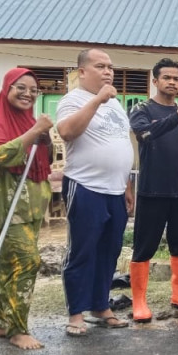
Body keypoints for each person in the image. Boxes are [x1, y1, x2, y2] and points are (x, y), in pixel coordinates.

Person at [0, 68, 53, 350]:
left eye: (33, 89)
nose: (28, 93)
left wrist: (42, 136)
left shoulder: (27, 121)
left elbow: (42, 160)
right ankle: (18, 329)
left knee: (7, 265)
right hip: (5, 205)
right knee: (28, 261)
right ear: (6, 89)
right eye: (21, 87)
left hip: (29, 205)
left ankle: (1, 322)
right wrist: (34, 131)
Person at [56, 48, 135, 336]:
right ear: (82, 72)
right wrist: (97, 100)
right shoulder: (72, 100)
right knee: (82, 250)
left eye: (110, 67)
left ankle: (100, 306)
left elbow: (119, 144)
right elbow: (66, 131)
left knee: (110, 250)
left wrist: (126, 185)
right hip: (85, 186)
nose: (108, 72)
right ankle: (76, 313)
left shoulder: (115, 104)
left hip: (115, 189)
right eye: (100, 66)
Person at [128, 59, 178, 322]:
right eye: (167, 77)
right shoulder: (143, 109)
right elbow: (144, 136)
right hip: (152, 191)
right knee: (144, 247)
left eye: (177, 78)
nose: (172, 82)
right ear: (155, 80)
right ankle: (139, 301)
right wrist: (173, 119)